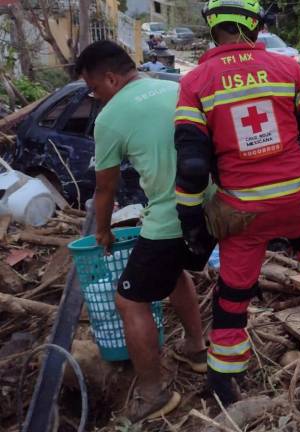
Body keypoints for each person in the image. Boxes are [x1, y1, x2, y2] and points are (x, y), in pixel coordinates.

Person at [175, 0, 300, 406]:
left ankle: (223, 380)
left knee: (233, 293)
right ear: (255, 24)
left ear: (212, 26)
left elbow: (194, 166)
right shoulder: (289, 69)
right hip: (295, 196)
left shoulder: (195, 82)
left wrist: (191, 219)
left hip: (242, 211)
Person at [75, 41, 214, 422]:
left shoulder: (110, 118)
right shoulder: (176, 88)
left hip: (172, 217)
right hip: (215, 210)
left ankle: (152, 394)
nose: (94, 96)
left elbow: (105, 189)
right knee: (173, 271)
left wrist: (102, 231)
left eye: (94, 88)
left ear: (111, 77)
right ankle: (197, 348)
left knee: (129, 301)